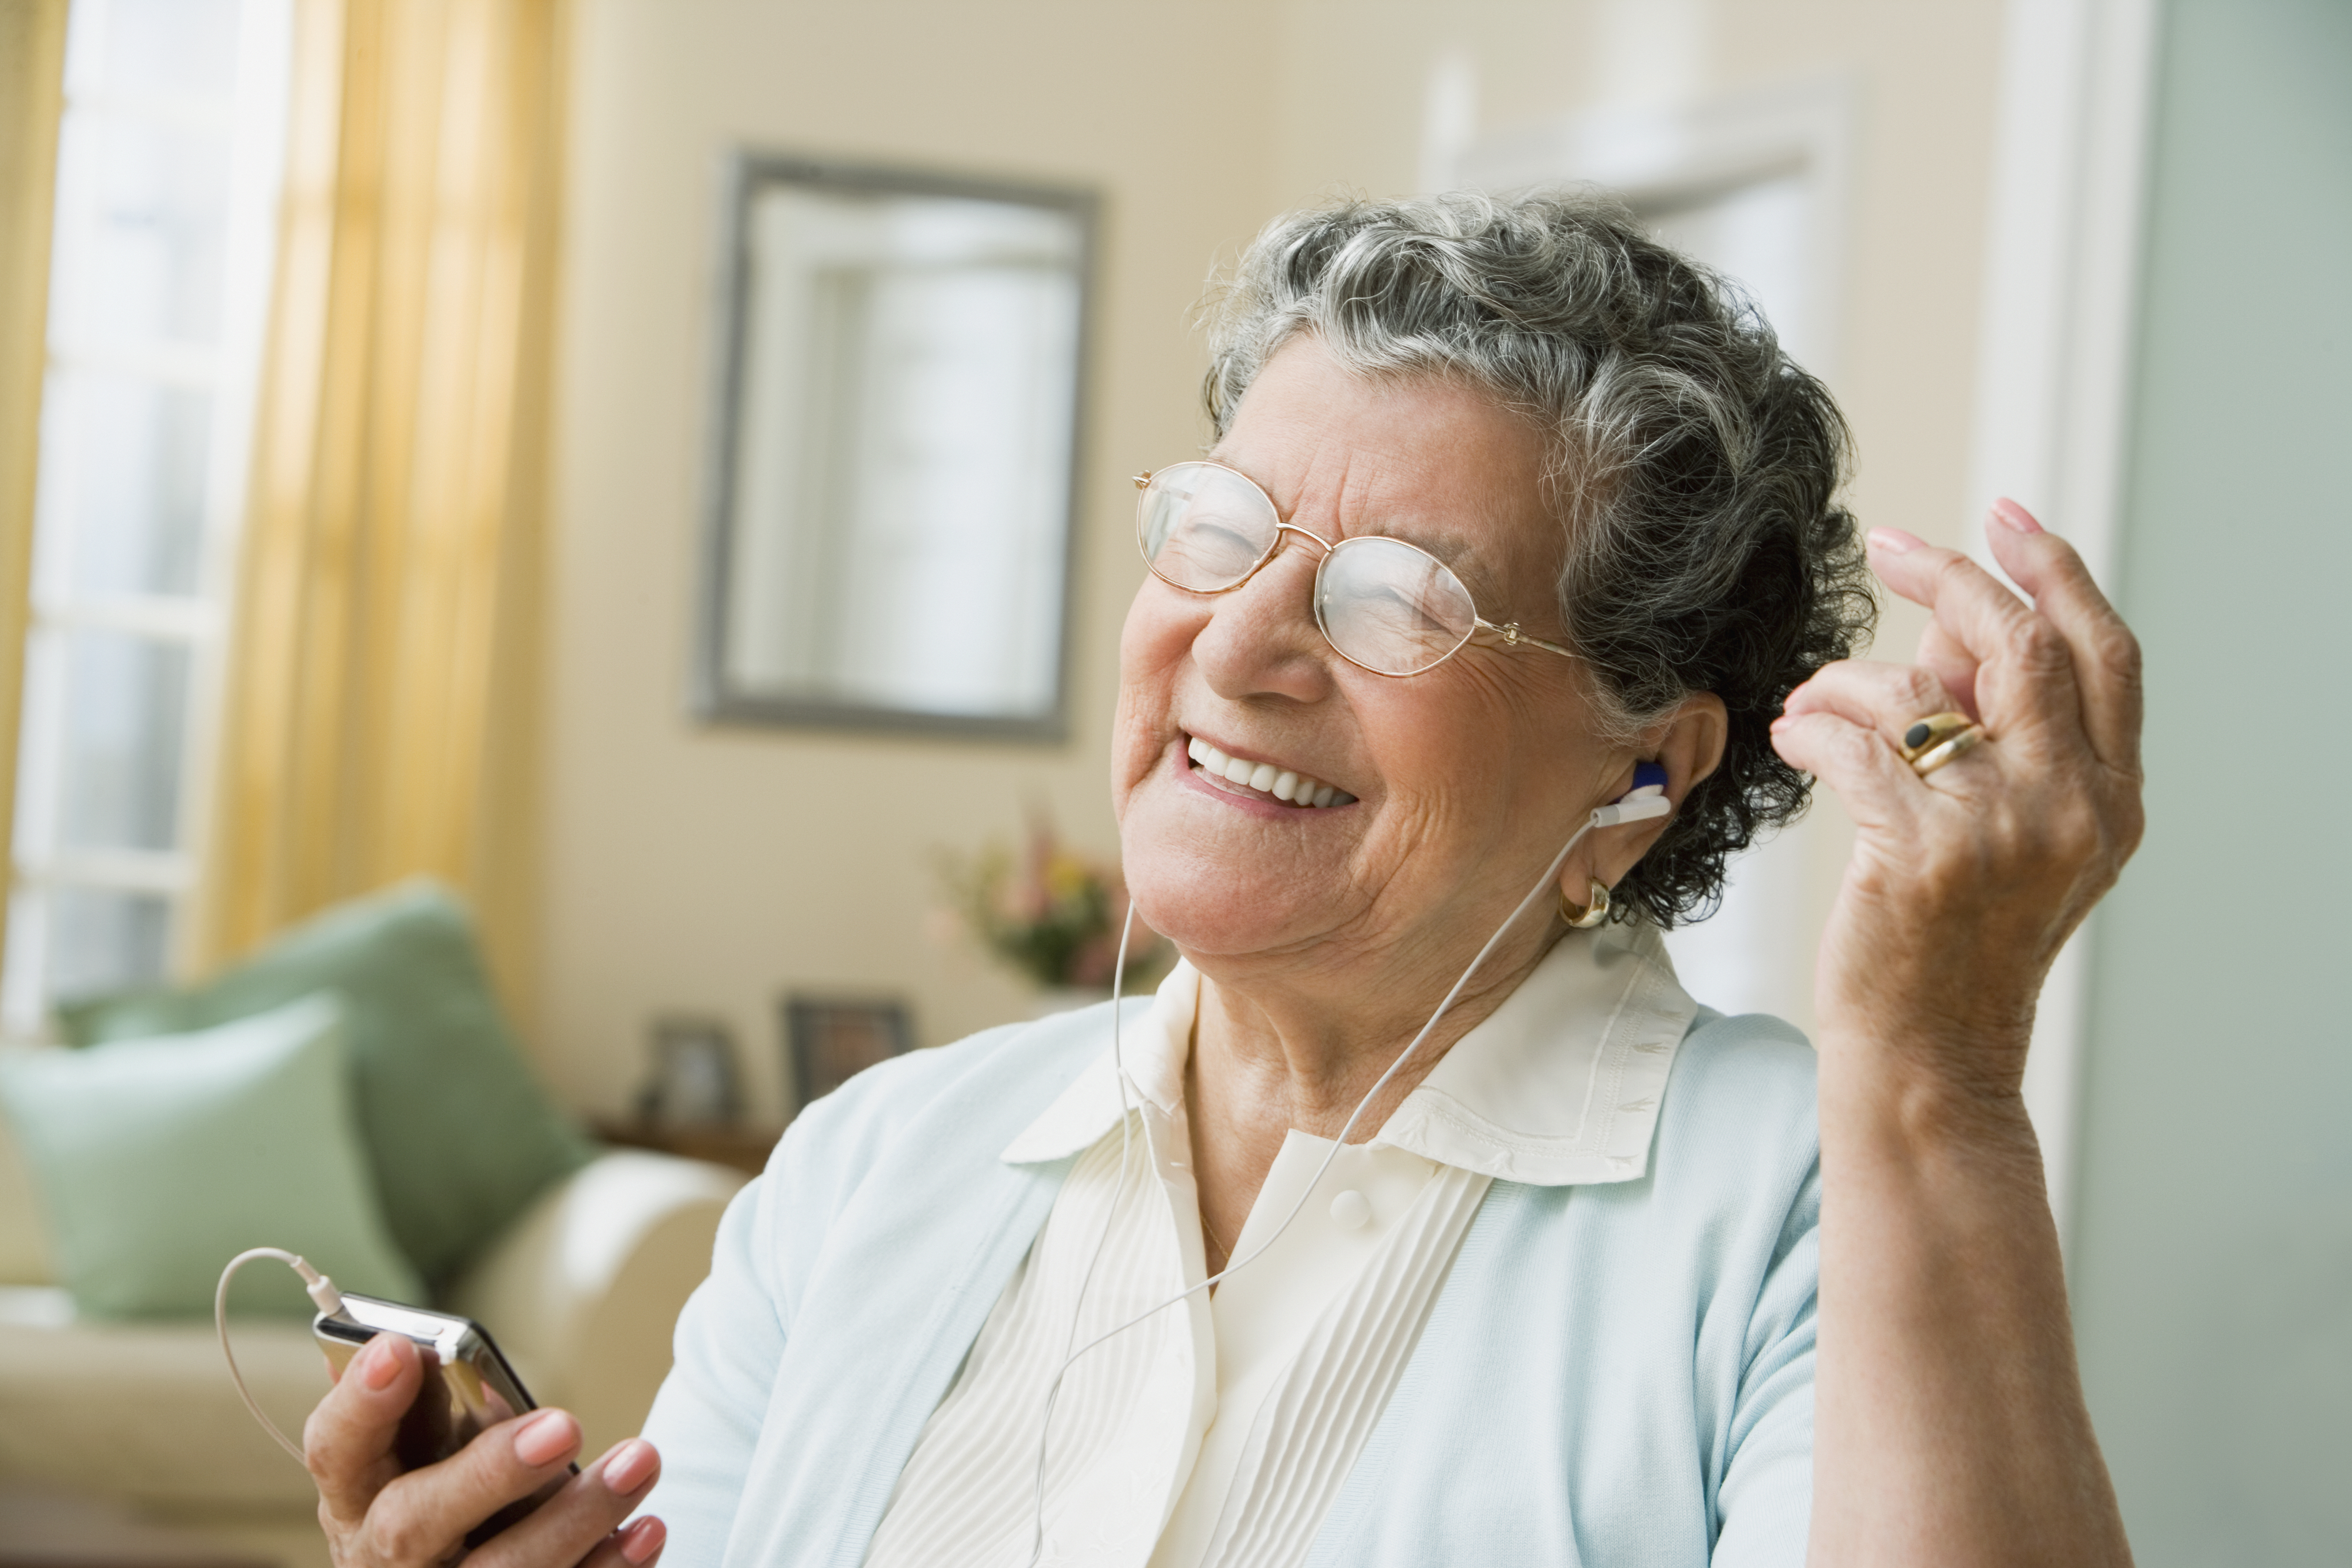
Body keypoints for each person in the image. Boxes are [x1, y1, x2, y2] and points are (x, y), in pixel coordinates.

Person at [300, 191, 2143, 1568]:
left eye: (1394, 598)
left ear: (1648, 760)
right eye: (1220, 526)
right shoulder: (878, 1161)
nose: (1239, 643)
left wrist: (1940, 1075)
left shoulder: (1828, 1192)